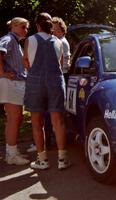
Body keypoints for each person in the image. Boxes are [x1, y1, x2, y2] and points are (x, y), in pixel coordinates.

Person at [23, 13, 71, 170]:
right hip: (55, 83)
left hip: (35, 83)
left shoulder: (29, 40)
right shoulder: (58, 41)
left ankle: (42, 160)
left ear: (37, 25)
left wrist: (35, 73)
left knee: (37, 123)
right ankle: (62, 159)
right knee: (58, 122)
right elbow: (60, 64)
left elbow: (26, 63)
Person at [0, 17, 30, 165]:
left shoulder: (15, 41)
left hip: (14, 83)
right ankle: (11, 155)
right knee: (14, 118)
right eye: (23, 27)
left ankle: (11, 151)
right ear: (14, 26)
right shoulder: (9, 39)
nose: (26, 30)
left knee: (14, 119)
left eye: (27, 27)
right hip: (10, 83)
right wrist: (2, 73)